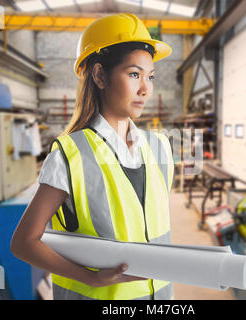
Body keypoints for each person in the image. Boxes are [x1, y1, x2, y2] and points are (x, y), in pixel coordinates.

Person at [11, 13, 175, 300]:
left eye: (150, 76)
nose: (145, 89)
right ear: (100, 75)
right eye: (134, 74)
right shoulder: (69, 155)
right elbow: (24, 243)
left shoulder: (159, 147)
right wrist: (89, 278)